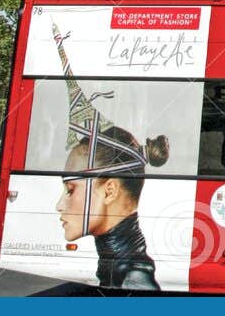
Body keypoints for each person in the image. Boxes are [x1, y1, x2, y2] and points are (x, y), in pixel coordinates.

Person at [54, 123, 168, 291]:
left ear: (109, 191)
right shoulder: (120, 272)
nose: (59, 205)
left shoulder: (132, 282)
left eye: (71, 190)